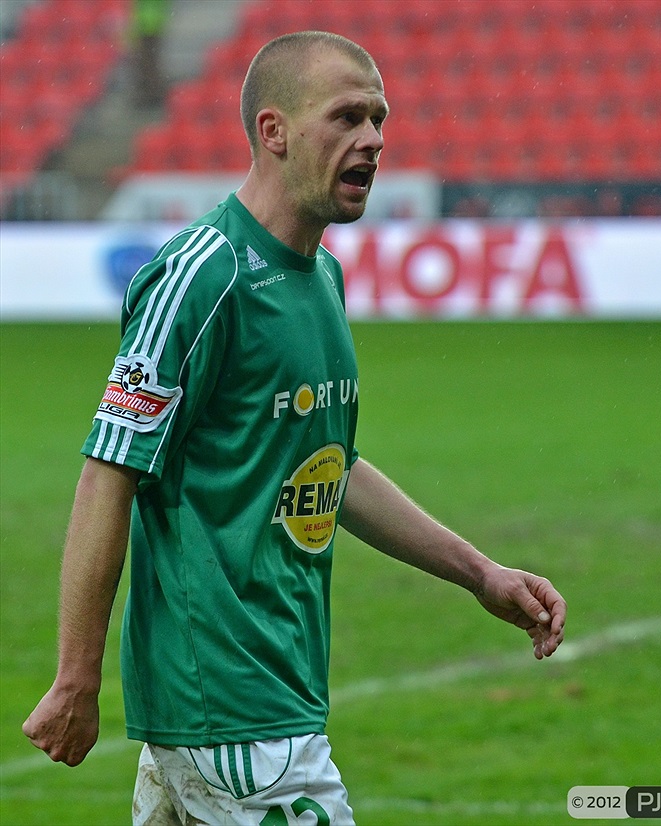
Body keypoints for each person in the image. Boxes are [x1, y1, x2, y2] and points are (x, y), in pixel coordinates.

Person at [22, 31, 566, 825]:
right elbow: (110, 470)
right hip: (240, 716)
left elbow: (326, 465)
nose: (373, 139)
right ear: (273, 132)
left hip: (249, 705)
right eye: (347, 118)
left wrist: (479, 573)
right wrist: (77, 677)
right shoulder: (204, 275)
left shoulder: (324, 277)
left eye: (379, 119)